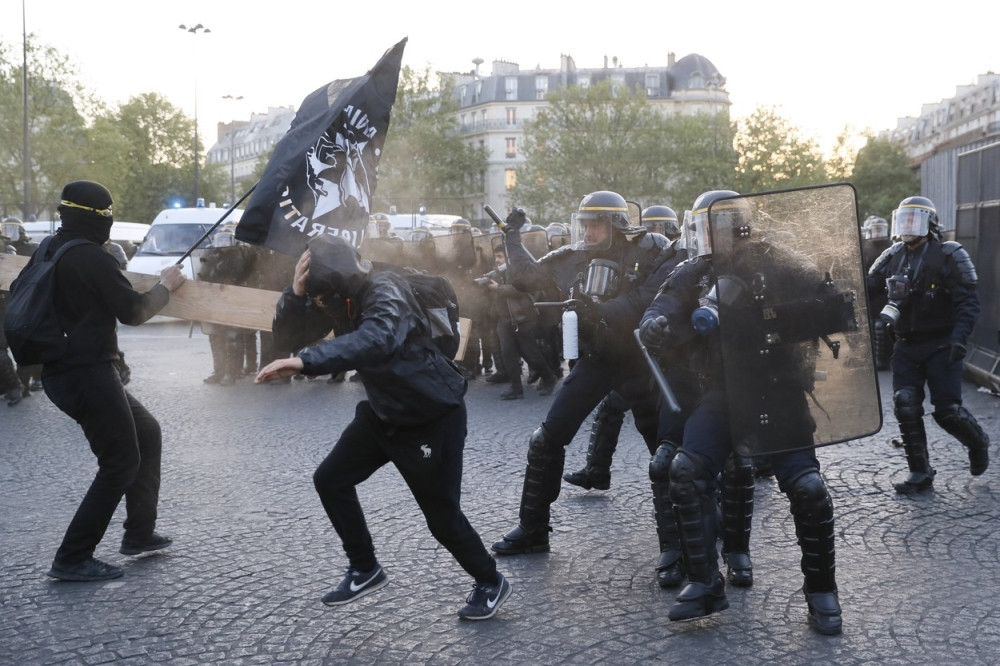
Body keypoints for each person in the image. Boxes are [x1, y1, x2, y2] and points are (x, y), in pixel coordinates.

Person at [255, 235, 512, 620]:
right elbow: (287, 337)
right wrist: (295, 292)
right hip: (384, 412)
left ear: (341, 285)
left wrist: (306, 362)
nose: (319, 305)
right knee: (330, 479)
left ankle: (491, 581)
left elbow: (378, 338)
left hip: (430, 416)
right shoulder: (337, 293)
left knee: (442, 518)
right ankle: (364, 568)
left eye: (323, 298)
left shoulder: (385, 288)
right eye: (316, 298)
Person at [639, 190, 842, 635]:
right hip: (724, 392)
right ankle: (706, 583)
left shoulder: (782, 264)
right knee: (686, 471)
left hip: (778, 389)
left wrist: (764, 317)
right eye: (704, 227)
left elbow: (837, 307)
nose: (710, 236)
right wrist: (653, 322)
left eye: (717, 226)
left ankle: (823, 592)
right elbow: (663, 303)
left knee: (807, 487)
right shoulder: (695, 272)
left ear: (739, 225)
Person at [490, 190, 680, 558]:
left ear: (616, 224)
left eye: (596, 224)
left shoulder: (650, 247)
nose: (588, 231)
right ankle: (533, 530)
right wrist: (510, 237)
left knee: (666, 453)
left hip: (643, 358)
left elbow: (652, 295)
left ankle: (683, 541)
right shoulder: (570, 257)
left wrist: (603, 309)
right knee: (546, 439)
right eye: (585, 224)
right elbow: (526, 277)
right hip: (598, 359)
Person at [40, 180, 186, 581]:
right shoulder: (92, 258)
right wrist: (166, 287)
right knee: (120, 461)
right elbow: (134, 311)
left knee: (147, 433)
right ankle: (71, 557)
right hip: (85, 372)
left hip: (63, 371)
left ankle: (139, 533)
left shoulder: (50, 248)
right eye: (107, 214)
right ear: (99, 217)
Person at [867, 196, 989, 494]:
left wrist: (960, 339)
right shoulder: (892, 255)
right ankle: (920, 472)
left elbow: (968, 303)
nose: (907, 226)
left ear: (929, 223)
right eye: (904, 220)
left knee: (947, 411)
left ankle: (978, 442)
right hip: (906, 344)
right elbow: (866, 287)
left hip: (940, 344)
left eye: (914, 220)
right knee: (905, 403)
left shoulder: (949, 255)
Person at [483, 243, 558, 399]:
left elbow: (520, 290)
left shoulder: (520, 271)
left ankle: (549, 378)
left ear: (509, 258)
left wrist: (498, 288)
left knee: (531, 354)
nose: (497, 260)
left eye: (500, 256)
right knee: (508, 354)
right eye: (495, 257)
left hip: (523, 318)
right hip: (505, 319)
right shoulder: (497, 273)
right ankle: (516, 388)